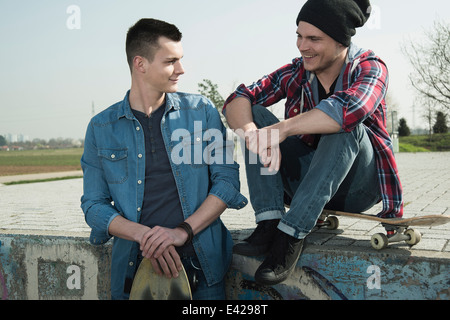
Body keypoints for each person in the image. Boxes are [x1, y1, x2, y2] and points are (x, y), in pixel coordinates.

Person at [223, 0, 403, 285]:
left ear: (341, 41)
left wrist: (282, 130)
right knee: (255, 115)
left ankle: (290, 235)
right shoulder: (298, 70)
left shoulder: (370, 68)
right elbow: (238, 98)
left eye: (313, 39)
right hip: (306, 184)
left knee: (345, 126)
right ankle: (269, 223)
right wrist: (252, 133)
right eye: (299, 35)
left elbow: (348, 110)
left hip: (358, 187)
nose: (302, 46)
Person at [81, 18, 247, 300]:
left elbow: (227, 182)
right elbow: (93, 205)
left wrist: (181, 232)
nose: (181, 70)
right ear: (140, 64)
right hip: (133, 275)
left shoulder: (202, 111)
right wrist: (146, 237)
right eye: (171, 61)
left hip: (202, 269)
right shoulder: (101, 127)